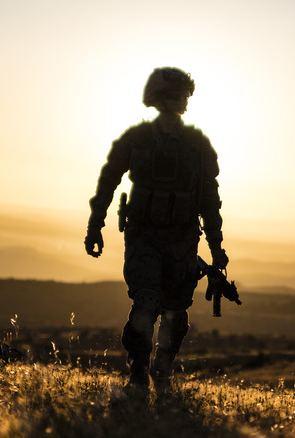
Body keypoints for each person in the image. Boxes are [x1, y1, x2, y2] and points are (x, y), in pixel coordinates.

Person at [84, 67, 228, 392]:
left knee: (176, 312)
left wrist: (217, 246)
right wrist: (95, 226)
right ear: (158, 98)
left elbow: (210, 199)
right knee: (146, 304)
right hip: (143, 235)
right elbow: (107, 181)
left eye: (185, 96)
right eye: (176, 95)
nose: (182, 102)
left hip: (183, 240)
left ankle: (162, 368)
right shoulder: (136, 139)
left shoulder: (197, 145)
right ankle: (137, 373)